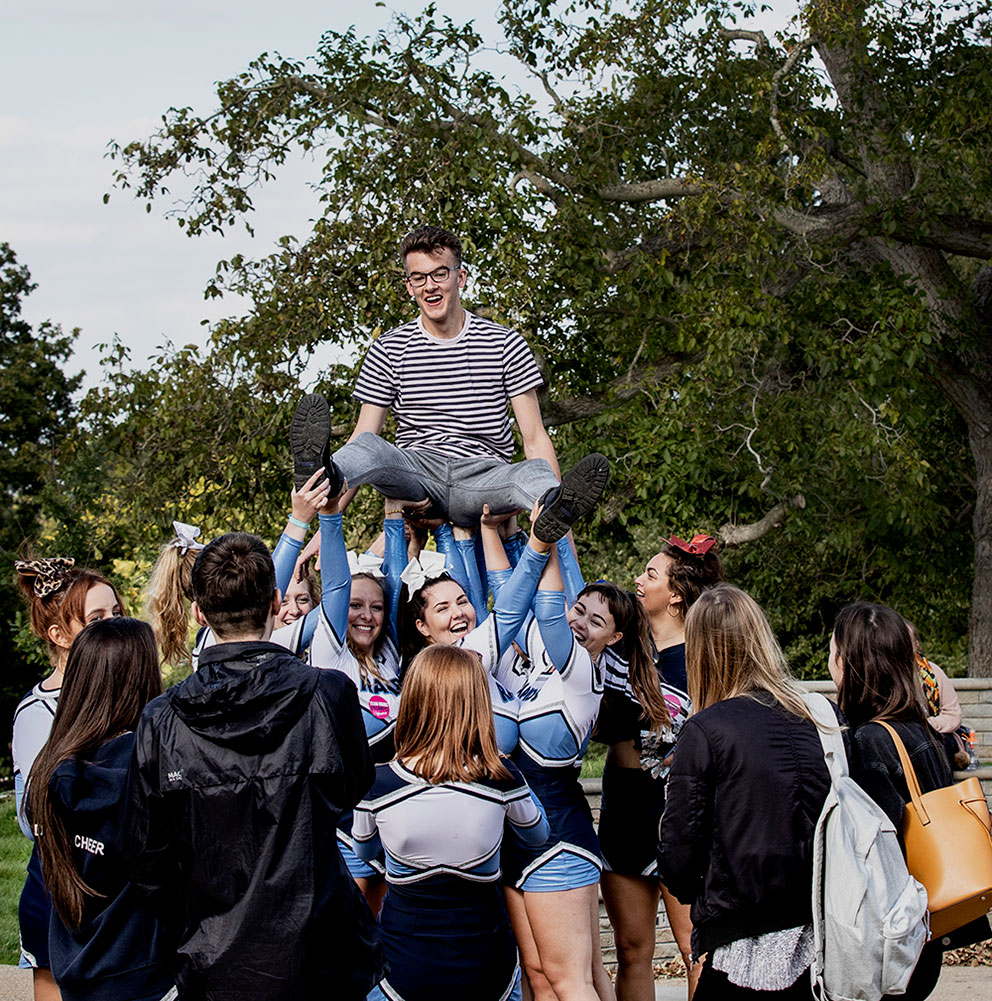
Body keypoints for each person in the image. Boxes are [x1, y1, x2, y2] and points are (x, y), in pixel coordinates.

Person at [124, 531, 384, 1001]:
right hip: (276, 954)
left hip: (280, 952)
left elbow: (147, 857)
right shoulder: (165, 718)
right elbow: (149, 856)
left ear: (200, 613)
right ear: (275, 600)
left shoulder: (325, 694)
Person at [291, 224, 609, 533]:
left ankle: (554, 504)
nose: (429, 285)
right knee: (369, 447)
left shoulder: (505, 344)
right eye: (418, 277)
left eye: (439, 274)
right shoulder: (388, 349)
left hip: (484, 478)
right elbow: (363, 437)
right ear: (409, 286)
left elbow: (535, 438)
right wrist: (324, 528)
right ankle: (325, 476)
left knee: (534, 473)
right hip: (417, 474)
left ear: (461, 277)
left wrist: (562, 539)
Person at [659, 584, 839, 1000]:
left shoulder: (705, 730)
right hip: (822, 929)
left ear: (698, 650)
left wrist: (696, 892)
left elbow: (679, 851)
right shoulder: (821, 716)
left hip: (742, 938)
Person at [353, 645, 550, 1001]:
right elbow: (538, 835)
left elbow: (364, 851)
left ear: (412, 700)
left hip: (402, 964)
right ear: (478, 705)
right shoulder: (502, 779)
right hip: (488, 961)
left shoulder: (376, 784)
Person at [596, 534, 724, 1001]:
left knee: (696, 947)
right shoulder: (619, 647)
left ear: (675, 594)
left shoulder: (709, 659)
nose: (638, 579)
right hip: (626, 808)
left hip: (684, 813)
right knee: (633, 950)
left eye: (650, 574)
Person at [25, 618, 176, 1001]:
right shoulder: (148, 772)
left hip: (78, 968)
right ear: (140, 679)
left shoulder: (51, 767)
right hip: (144, 975)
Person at [13, 558, 125, 1001]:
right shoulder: (37, 712)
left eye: (117, 614)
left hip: (122, 898)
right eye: (96, 620)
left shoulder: (129, 694)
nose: (113, 626)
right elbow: (30, 820)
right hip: (64, 894)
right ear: (59, 635)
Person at [830, 602, 952, 1001]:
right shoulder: (921, 731)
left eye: (833, 652)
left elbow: (871, 853)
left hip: (887, 938)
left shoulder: (869, 742)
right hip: (921, 930)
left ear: (849, 663)